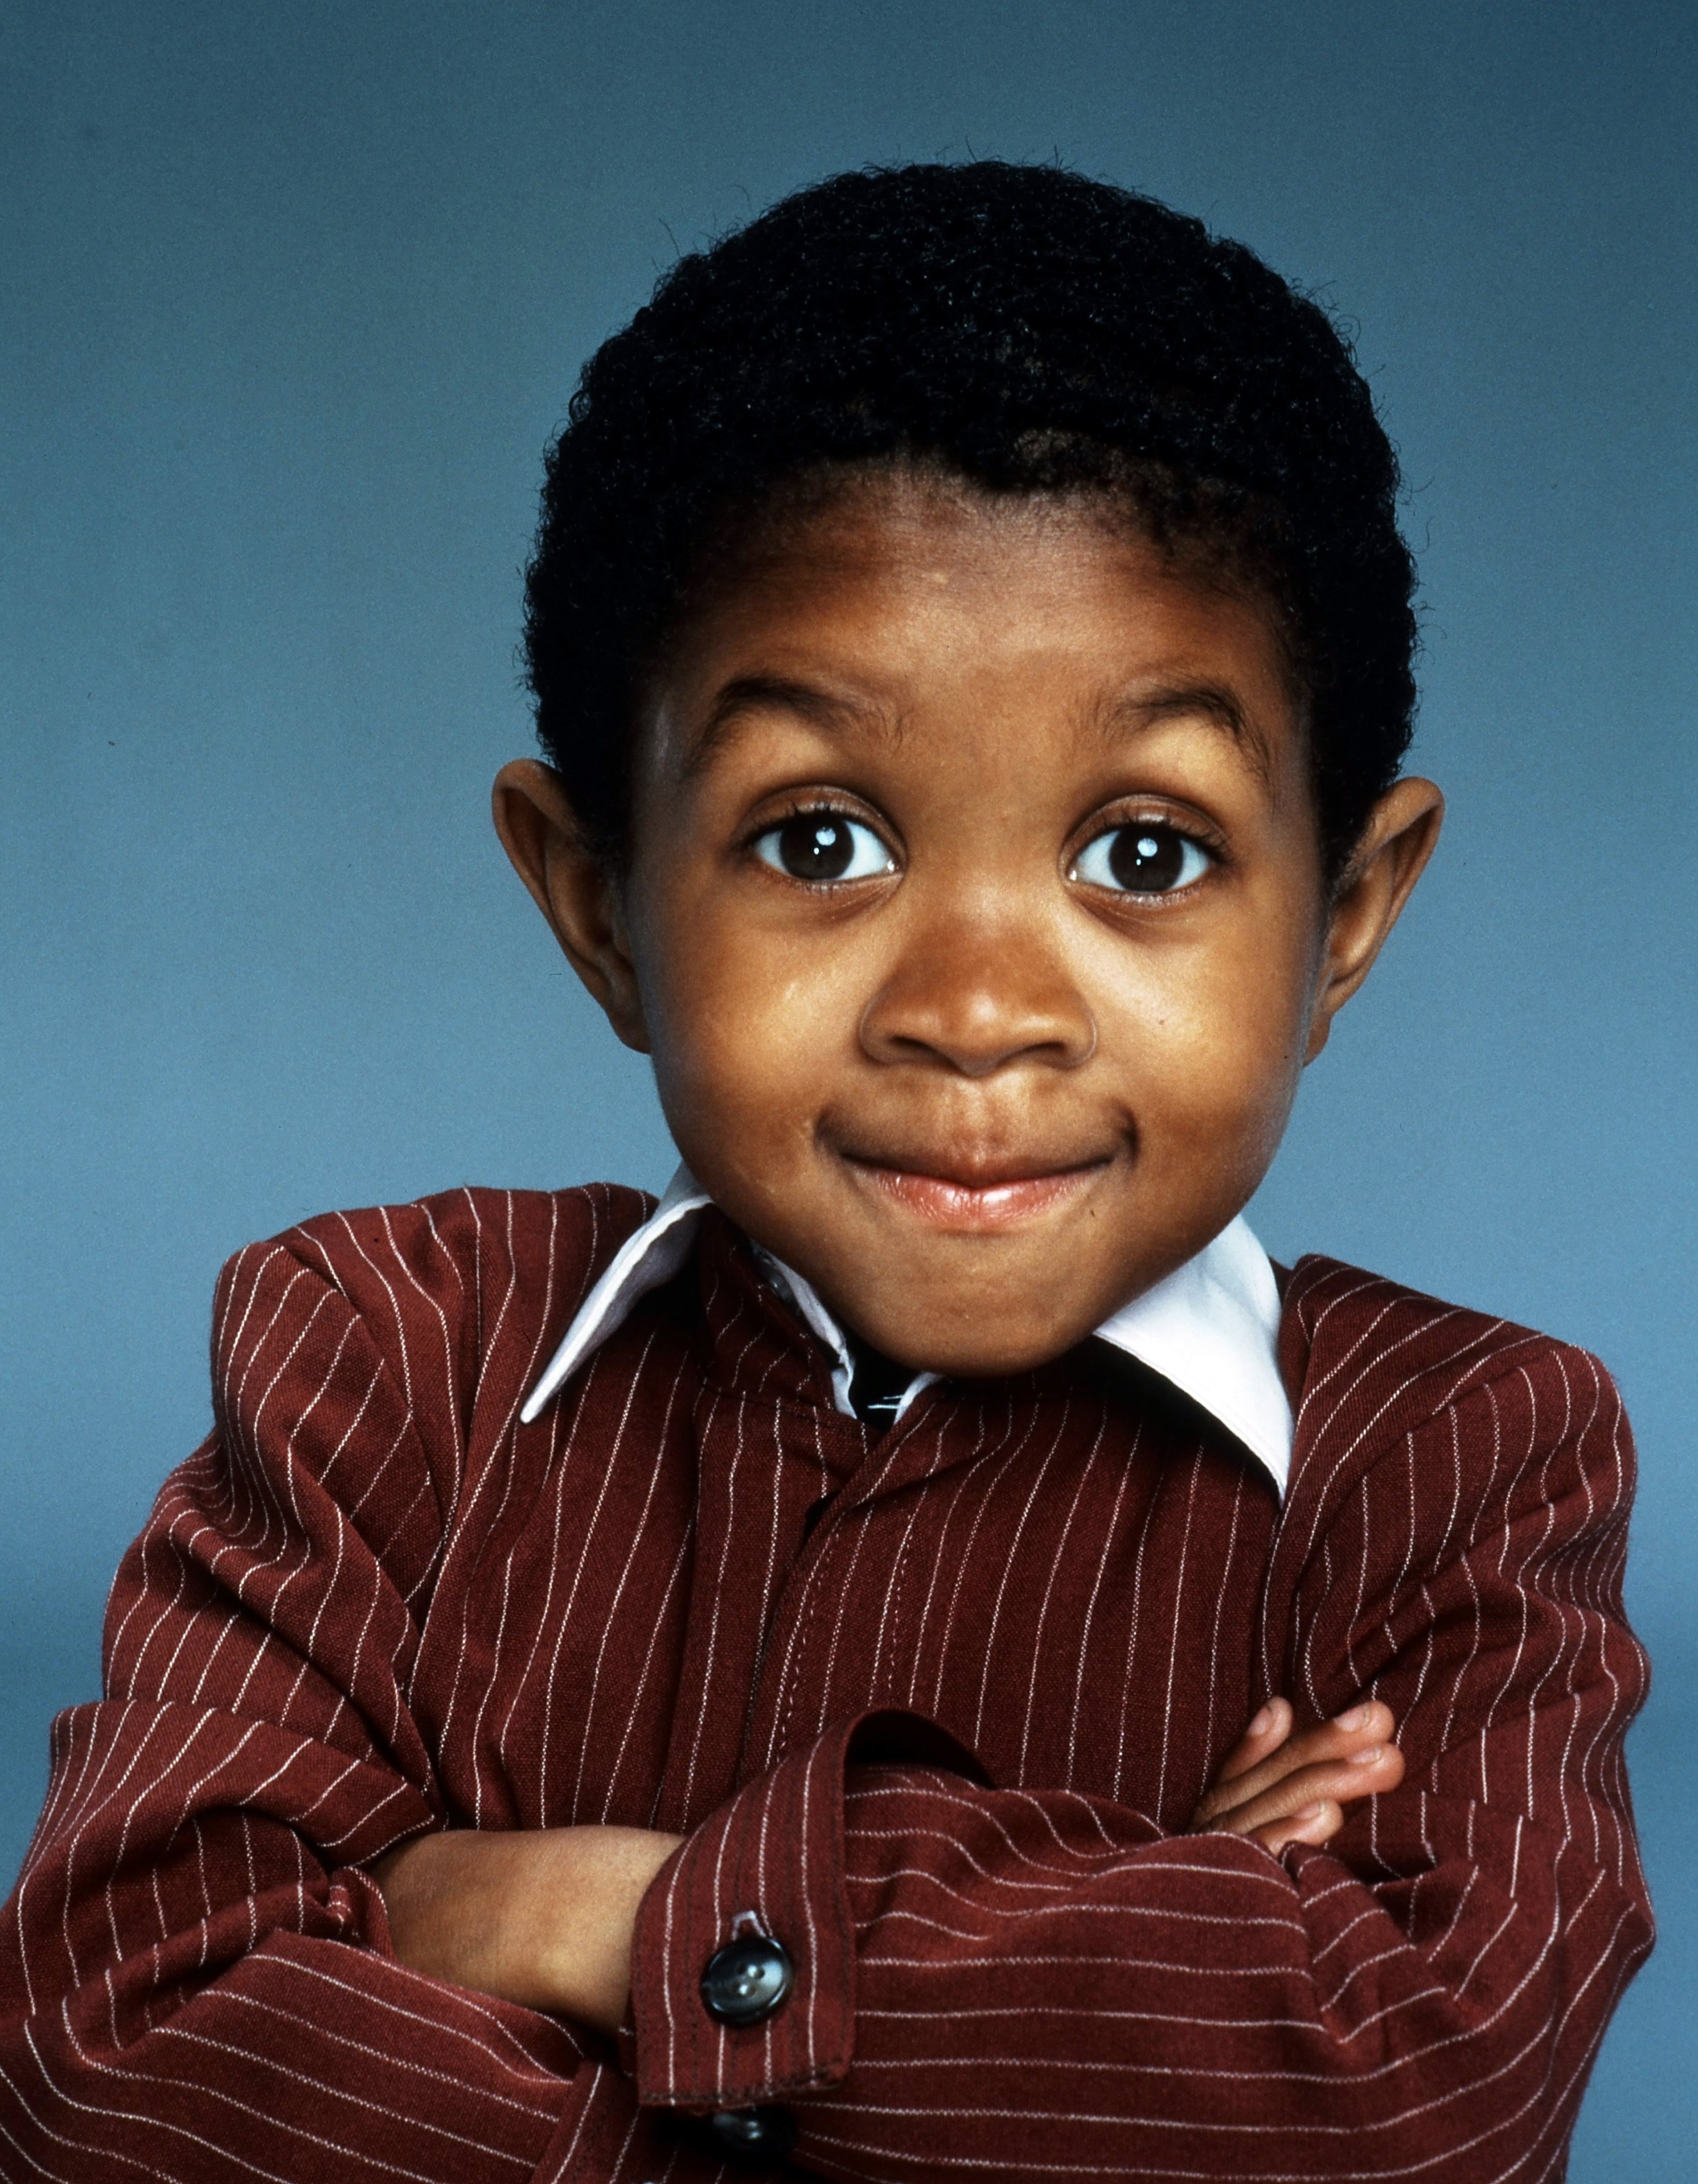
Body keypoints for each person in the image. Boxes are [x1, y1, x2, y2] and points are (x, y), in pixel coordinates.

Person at [0, 162, 1651, 2182]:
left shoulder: (1452, 1459)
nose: (971, 1007)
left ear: (1345, 914)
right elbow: (109, 2053)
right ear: (597, 900)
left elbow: (1409, 2099)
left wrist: (606, 1919)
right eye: (816, 840)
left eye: (1144, 849)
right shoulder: (385, 1369)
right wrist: (1131, 1929)